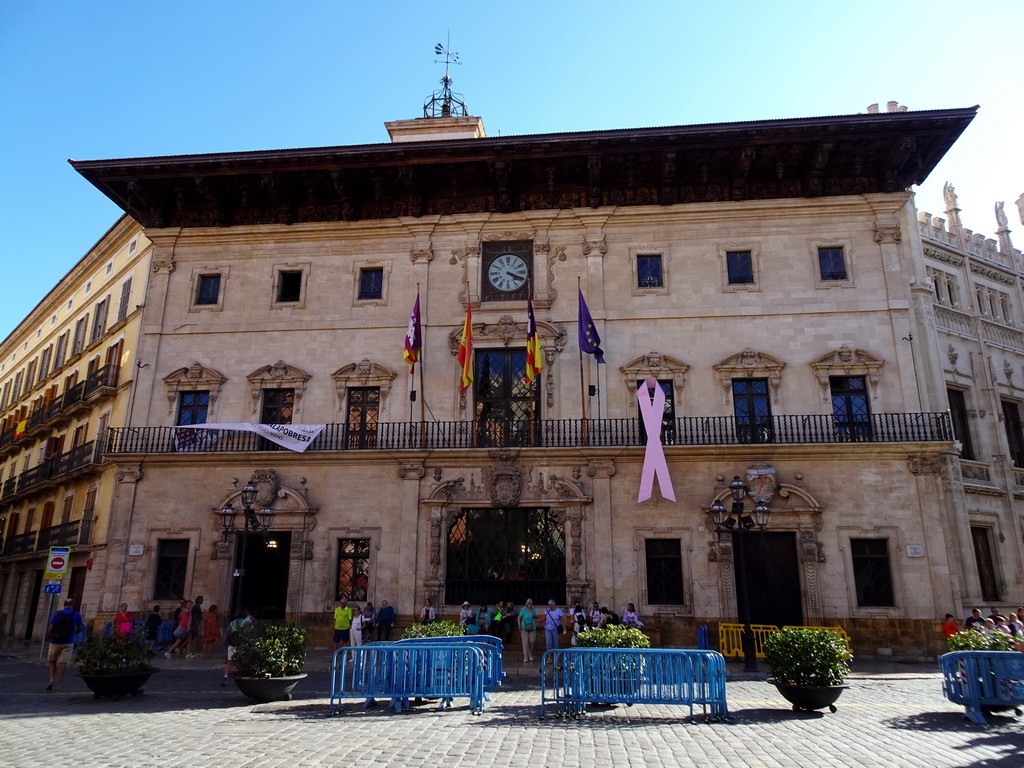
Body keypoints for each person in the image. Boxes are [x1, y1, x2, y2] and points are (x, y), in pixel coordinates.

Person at [46, 598, 84, 691]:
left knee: (52, 660)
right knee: (62, 663)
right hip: (68, 642)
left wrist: (50, 637)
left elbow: (50, 628)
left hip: (55, 641)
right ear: (73, 604)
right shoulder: (76, 614)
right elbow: (80, 627)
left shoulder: (57, 613)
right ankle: (57, 684)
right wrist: (73, 633)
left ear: (64, 605)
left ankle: (51, 679)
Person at [222, 606, 252, 686]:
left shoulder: (232, 623)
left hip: (232, 644)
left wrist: (225, 645)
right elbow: (250, 635)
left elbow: (227, 635)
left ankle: (225, 676)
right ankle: (241, 678)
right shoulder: (247, 623)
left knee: (229, 662)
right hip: (242, 645)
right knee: (241, 662)